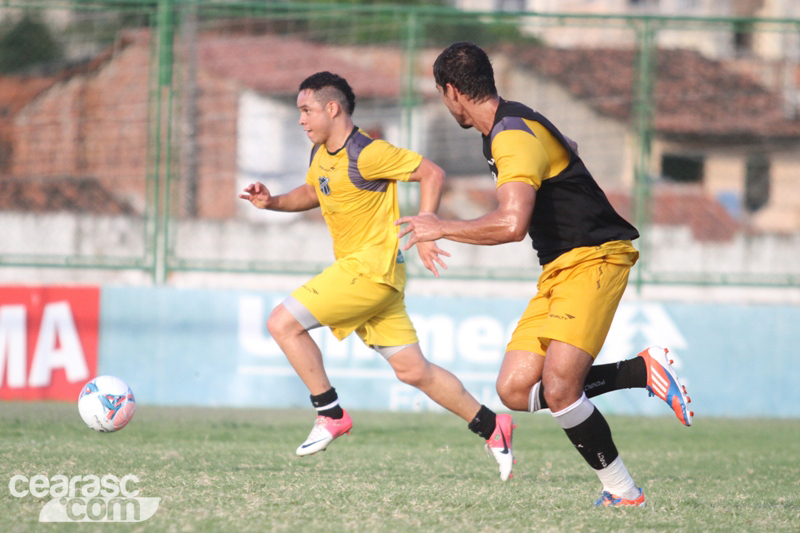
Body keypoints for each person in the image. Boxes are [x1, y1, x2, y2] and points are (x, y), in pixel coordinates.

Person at [396, 42, 693, 507]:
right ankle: (641, 370)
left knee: (559, 387)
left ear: (451, 92)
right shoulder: (515, 122)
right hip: (558, 267)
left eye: (441, 94)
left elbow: (512, 225)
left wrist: (441, 227)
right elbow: (565, 147)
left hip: (596, 257)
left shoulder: (509, 134)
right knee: (515, 389)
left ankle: (624, 493)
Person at [239, 71, 515, 480]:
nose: (301, 119)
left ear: (332, 108)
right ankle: (494, 427)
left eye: (306, 110)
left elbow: (432, 173)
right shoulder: (320, 154)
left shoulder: (367, 152)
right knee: (413, 371)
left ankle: (330, 412)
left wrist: (425, 227)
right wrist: (273, 202)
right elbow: (315, 191)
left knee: (281, 322)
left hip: (368, 271)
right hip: (375, 279)